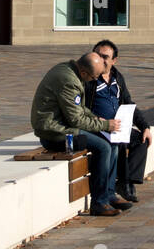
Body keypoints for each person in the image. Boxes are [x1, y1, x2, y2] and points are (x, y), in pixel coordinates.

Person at [30, 52, 125, 217]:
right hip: (54, 133)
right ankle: (99, 203)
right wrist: (105, 125)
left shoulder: (70, 71)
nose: (94, 80)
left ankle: (109, 193)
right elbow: (76, 120)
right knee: (103, 147)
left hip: (63, 126)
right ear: (83, 73)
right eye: (94, 77)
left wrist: (95, 118)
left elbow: (79, 109)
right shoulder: (69, 81)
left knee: (112, 143)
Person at [86, 40, 153, 203]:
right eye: (98, 55)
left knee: (140, 139)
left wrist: (145, 126)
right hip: (98, 127)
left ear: (114, 60)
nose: (101, 60)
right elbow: (82, 108)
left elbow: (128, 102)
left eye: (105, 57)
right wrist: (99, 122)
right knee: (118, 142)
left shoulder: (117, 77)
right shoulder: (89, 78)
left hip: (118, 126)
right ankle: (122, 185)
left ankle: (126, 182)